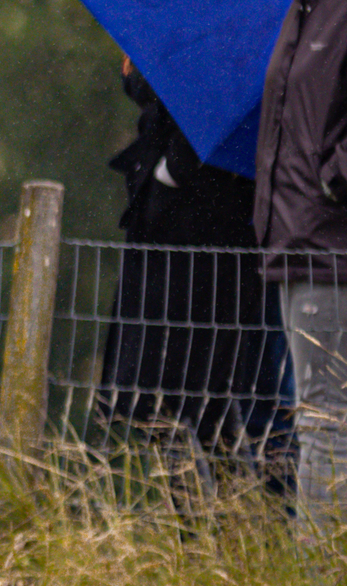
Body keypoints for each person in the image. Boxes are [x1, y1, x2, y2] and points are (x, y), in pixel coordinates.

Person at [99, 56, 290, 492]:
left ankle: (222, 534)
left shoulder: (239, 30)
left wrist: (173, 170)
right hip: (175, 231)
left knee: (192, 399)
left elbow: (222, 100)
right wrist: (135, 72)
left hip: (205, 235)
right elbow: (163, 94)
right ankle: (209, 536)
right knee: (165, 400)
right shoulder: (192, 18)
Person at [252, 0, 347, 538]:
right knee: (326, 418)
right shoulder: (305, 1)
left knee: (325, 421)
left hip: (336, 246)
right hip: (300, 240)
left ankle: (322, 584)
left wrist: (332, 185)